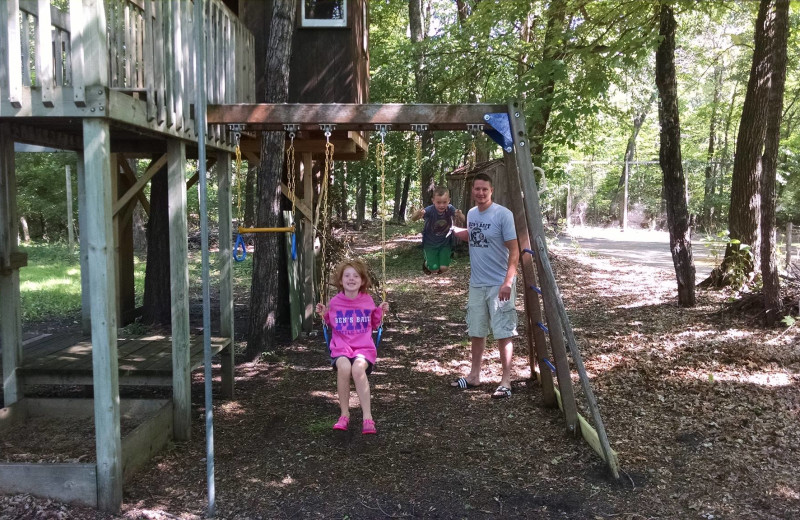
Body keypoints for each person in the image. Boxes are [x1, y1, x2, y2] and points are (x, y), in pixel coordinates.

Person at [450, 173, 519, 399]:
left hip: (500, 284)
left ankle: (506, 381)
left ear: (491, 191)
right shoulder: (471, 213)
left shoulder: (502, 214)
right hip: (477, 284)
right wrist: (454, 231)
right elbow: (474, 236)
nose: (480, 193)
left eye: (484, 190)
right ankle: (474, 376)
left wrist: (507, 282)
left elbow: (514, 250)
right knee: (477, 331)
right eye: (477, 189)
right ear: (473, 190)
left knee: (503, 332)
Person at [316, 259, 389, 434]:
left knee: (357, 369)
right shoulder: (335, 302)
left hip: (363, 348)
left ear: (362, 281)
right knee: (344, 367)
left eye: (355, 276)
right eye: (347, 275)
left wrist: (380, 312)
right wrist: (324, 314)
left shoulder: (367, 301)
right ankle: (344, 414)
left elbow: (374, 324)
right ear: (341, 280)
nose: (351, 279)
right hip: (341, 347)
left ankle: (367, 417)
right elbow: (330, 323)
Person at [410, 187, 465, 274]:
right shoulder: (430, 210)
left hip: (445, 243)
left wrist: (460, 214)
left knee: (443, 268)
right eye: (438, 202)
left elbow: (463, 220)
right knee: (434, 269)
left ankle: (437, 262)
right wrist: (418, 213)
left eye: (444, 202)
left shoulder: (450, 209)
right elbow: (413, 219)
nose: (442, 205)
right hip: (430, 244)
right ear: (433, 201)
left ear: (449, 201)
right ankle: (426, 263)